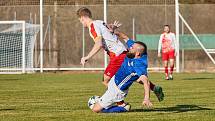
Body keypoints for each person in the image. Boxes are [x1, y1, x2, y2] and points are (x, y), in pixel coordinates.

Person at [91, 39, 162, 113]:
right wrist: (115, 32)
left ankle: (124, 108)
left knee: (95, 109)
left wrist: (146, 98)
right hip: (115, 80)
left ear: (137, 53)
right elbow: (125, 37)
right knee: (134, 79)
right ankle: (121, 104)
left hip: (117, 90)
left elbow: (146, 81)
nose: (130, 47)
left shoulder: (138, 65)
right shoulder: (137, 51)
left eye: (132, 48)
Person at [77, 7, 128, 87]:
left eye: (80, 20)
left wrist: (87, 57)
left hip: (117, 55)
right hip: (122, 52)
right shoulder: (100, 22)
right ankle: (154, 88)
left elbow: (98, 44)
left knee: (106, 80)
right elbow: (110, 30)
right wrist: (113, 28)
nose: (81, 23)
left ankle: (118, 98)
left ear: (83, 18)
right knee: (134, 76)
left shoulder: (93, 27)